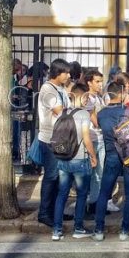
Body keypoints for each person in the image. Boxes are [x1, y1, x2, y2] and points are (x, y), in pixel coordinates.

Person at [92, 79, 129, 241]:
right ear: (121, 94)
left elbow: (98, 126)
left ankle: (99, 230)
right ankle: (125, 231)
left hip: (111, 155)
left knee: (104, 192)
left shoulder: (101, 113)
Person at [52, 83, 97, 240]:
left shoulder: (62, 113)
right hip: (79, 159)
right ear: (82, 96)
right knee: (82, 194)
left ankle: (56, 230)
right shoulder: (83, 115)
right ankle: (78, 228)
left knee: (62, 194)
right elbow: (86, 138)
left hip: (63, 158)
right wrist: (93, 156)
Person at [37, 58, 72, 227]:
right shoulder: (47, 90)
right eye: (66, 72)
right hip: (50, 139)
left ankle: (56, 210)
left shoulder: (61, 88)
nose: (68, 75)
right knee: (51, 176)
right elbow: (61, 111)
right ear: (58, 73)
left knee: (60, 177)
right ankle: (44, 213)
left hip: (61, 138)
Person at [82, 70, 110, 216]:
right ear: (89, 82)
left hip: (100, 138)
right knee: (92, 173)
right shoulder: (88, 99)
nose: (100, 84)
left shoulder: (99, 98)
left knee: (99, 173)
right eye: (97, 81)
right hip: (92, 139)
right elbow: (95, 120)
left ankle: (95, 203)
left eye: (101, 81)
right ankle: (90, 204)